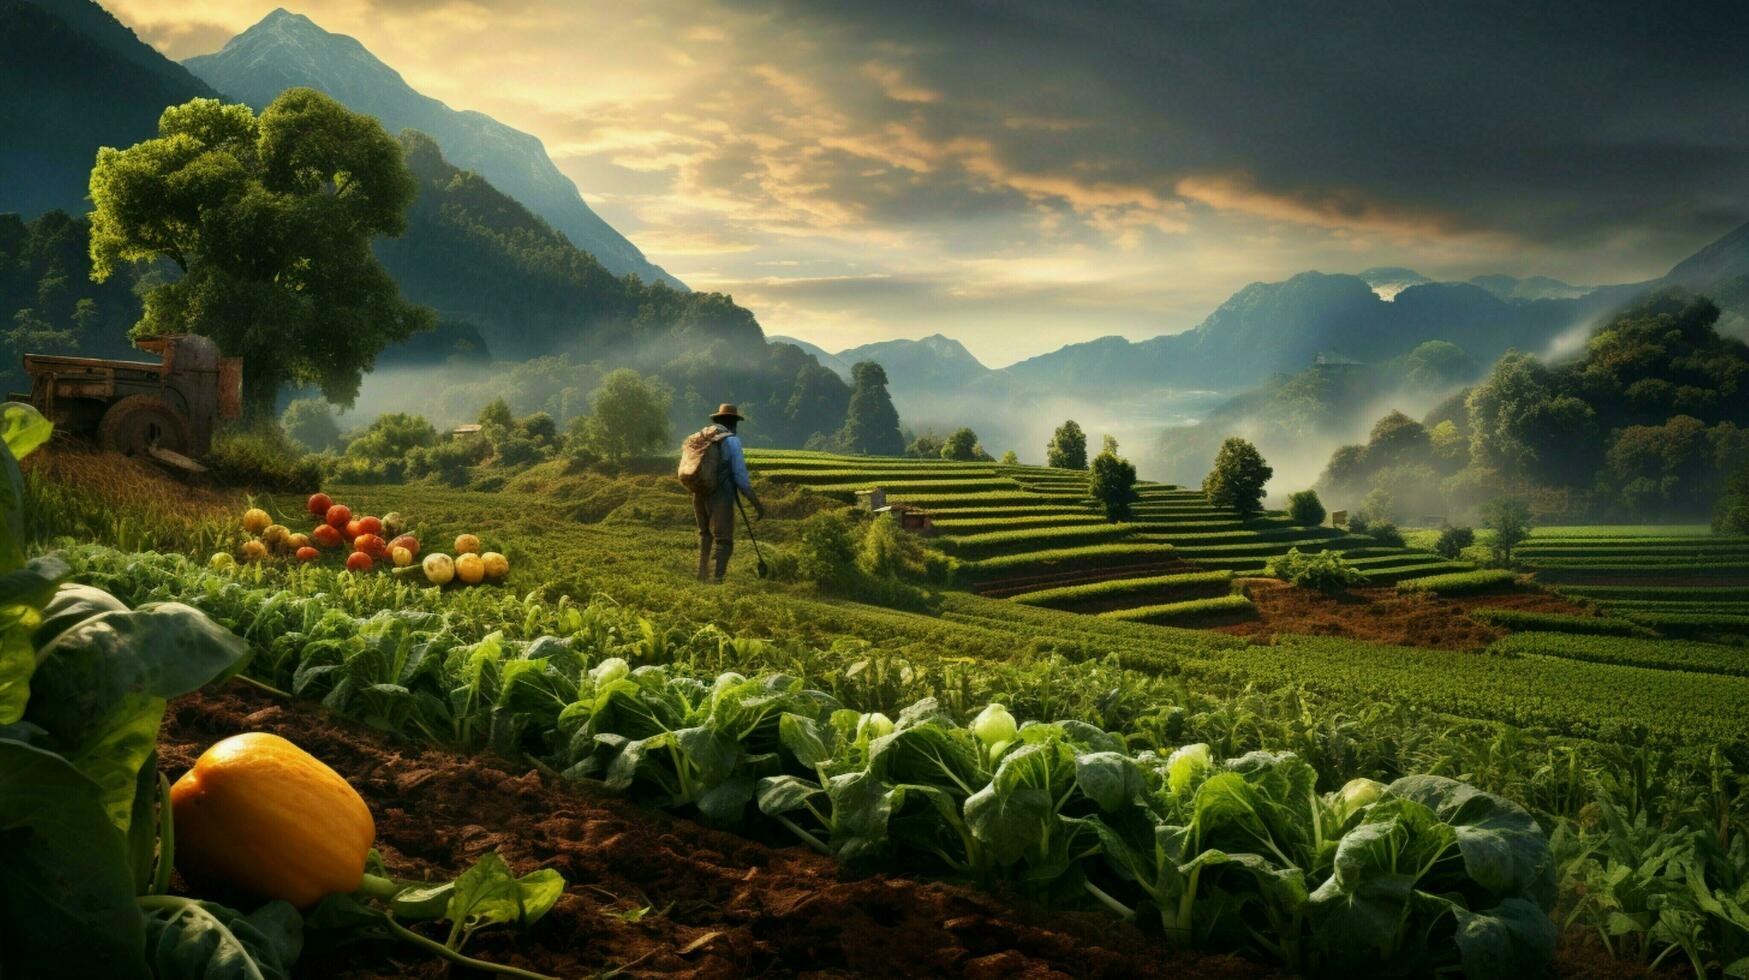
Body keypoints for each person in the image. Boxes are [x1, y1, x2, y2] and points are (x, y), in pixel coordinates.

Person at [692, 403, 763, 583]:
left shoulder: (704, 436)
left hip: (699, 491)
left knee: (705, 534)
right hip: (721, 495)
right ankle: (717, 579)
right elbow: (741, 478)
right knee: (724, 541)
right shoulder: (731, 440)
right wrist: (756, 503)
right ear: (732, 422)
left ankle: (701, 575)